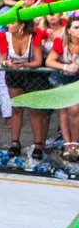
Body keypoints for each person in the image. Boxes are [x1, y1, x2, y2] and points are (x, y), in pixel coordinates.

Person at [46, 17, 79, 162]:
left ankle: (75, 144)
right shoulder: (61, 43)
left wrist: (75, 65)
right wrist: (65, 66)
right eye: (76, 27)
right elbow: (49, 61)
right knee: (63, 111)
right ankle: (67, 144)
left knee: (74, 110)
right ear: (69, 31)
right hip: (61, 79)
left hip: (77, 81)